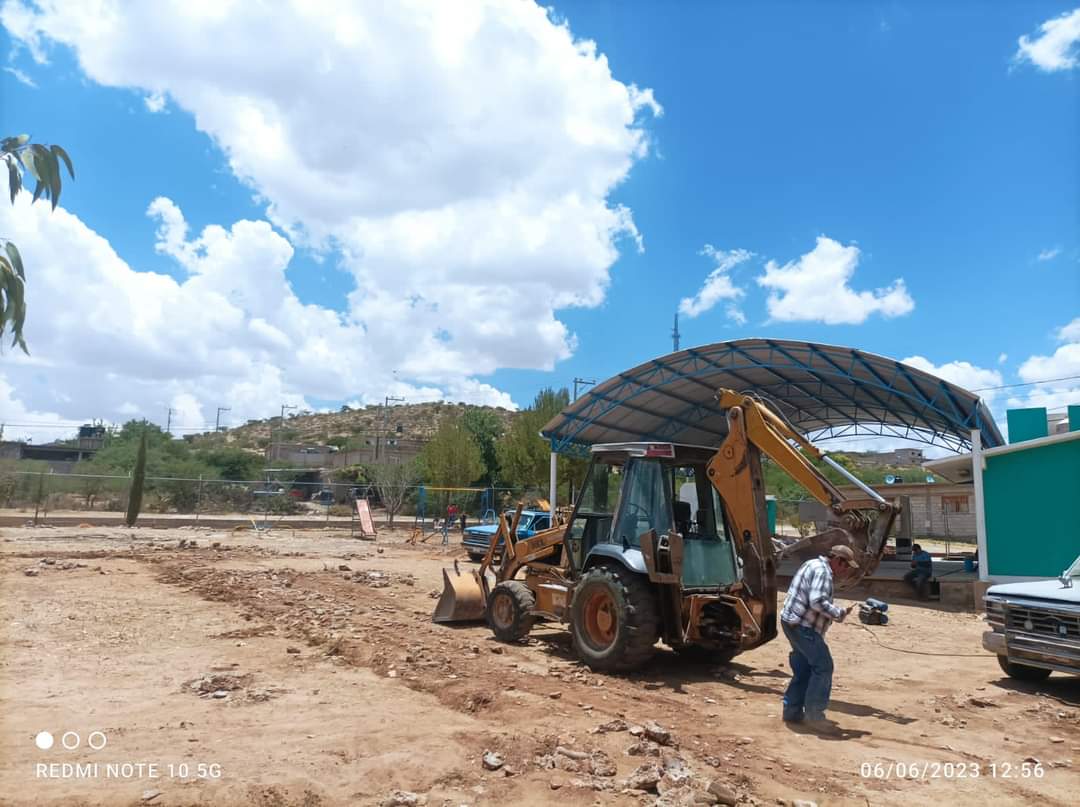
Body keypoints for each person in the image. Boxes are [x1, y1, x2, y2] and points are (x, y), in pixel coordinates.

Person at [780, 545, 858, 729]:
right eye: (846, 566)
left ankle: (792, 712)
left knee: (804, 669)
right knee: (823, 667)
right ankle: (815, 717)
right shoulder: (823, 572)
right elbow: (817, 602)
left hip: (791, 622)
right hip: (804, 627)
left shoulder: (812, 564)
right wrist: (838, 613)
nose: (845, 571)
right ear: (837, 560)